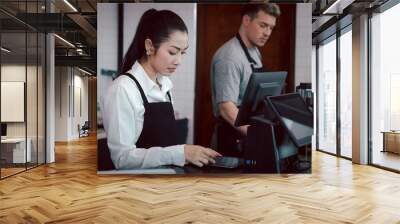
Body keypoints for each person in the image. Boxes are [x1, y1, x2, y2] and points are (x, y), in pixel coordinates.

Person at [102, 9, 221, 170]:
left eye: (183, 52)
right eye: (173, 52)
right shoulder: (122, 89)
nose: (179, 60)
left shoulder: (165, 86)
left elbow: (164, 146)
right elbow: (122, 159)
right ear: (149, 46)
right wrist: (181, 153)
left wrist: (189, 153)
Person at [210, 3, 281, 156]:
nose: (267, 33)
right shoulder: (229, 57)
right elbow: (226, 109)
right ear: (246, 20)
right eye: (263, 25)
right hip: (232, 138)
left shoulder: (254, 51)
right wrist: (259, 136)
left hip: (250, 132)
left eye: (271, 28)